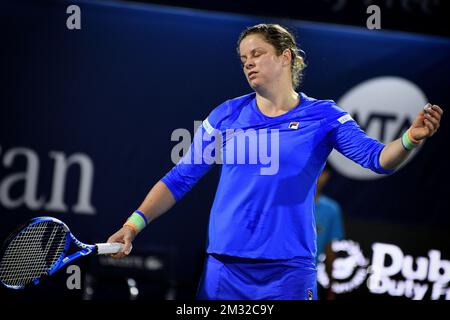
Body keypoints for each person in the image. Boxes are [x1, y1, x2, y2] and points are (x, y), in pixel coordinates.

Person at [107, 24, 443, 300]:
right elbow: (181, 178)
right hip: (224, 270)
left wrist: (409, 139)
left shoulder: (324, 116)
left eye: (257, 54)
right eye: (243, 59)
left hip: (289, 273)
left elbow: (377, 159)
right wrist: (133, 225)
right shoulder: (226, 115)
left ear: (286, 57)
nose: (248, 63)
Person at [314, 163, 345, 300]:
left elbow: (329, 250)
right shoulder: (288, 203)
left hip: (307, 280)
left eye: (321, 172)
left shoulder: (331, 209)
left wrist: (331, 284)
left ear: (326, 176)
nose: (317, 176)